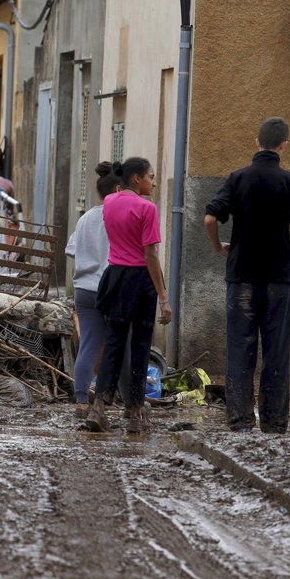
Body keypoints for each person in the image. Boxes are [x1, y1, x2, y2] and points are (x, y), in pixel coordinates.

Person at [204, 117, 290, 434]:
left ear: (256, 142)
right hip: (279, 277)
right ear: (284, 144)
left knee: (239, 348)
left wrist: (221, 249)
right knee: (276, 350)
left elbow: (210, 218)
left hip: (242, 275)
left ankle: (240, 421)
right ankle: (275, 423)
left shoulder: (237, 179)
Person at [85, 157, 172, 434]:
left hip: (114, 276)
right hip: (140, 281)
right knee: (140, 347)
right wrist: (163, 297)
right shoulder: (148, 208)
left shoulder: (110, 201)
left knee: (114, 343)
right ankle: (134, 413)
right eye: (151, 176)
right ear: (136, 179)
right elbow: (150, 255)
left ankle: (99, 407)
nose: (154, 182)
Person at [65, 162, 131, 419]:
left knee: (89, 343)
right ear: (118, 188)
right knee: (121, 345)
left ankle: (82, 401)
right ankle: (129, 402)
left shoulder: (85, 219)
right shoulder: (120, 216)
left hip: (84, 288)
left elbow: (71, 249)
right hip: (111, 288)